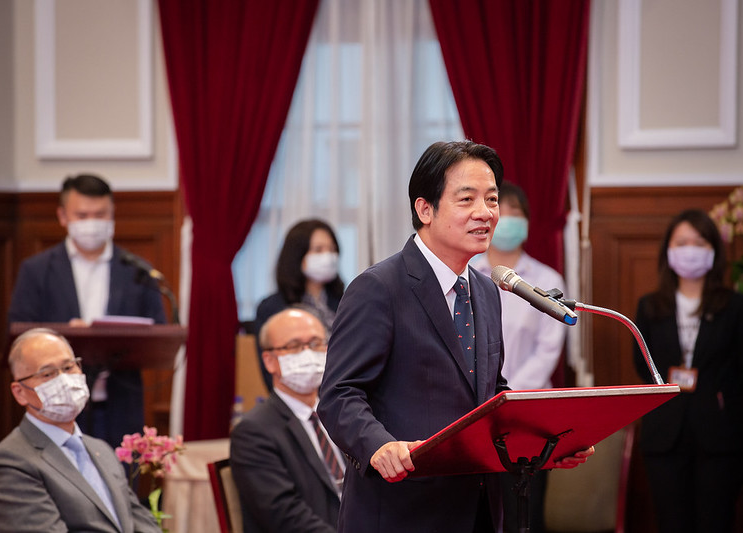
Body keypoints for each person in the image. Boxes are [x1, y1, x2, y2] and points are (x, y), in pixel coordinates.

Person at [317, 140, 592, 533]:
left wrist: (545, 446)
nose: (486, 213)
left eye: (492, 199)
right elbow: (339, 393)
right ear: (425, 209)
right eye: (467, 199)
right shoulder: (379, 288)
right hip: (402, 510)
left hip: (478, 509)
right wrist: (377, 445)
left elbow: (491, 394)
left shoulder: (487, 290)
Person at [7, 173, 167, 449]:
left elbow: (159, 334)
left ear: (112, 215)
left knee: (120, 475)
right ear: (63, 216)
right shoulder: (36, 271)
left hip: (121, 405)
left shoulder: (138, 271)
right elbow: (18, 336)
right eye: (82, 215)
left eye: (100, 214)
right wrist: (66, 337)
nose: (91, 223)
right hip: (54, 406)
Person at [633, 208, 743, 533]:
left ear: (714, 250)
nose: (690, 250)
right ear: (668, 250)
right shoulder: (650, 306)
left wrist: (716, 395)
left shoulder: (735, 306)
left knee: (716, 521)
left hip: (720, 434)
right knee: (671, 523)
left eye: (699, 242)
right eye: (682, 242)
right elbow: (642, 365)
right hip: (664, 433)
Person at [0, 328, 160, 533]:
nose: (64, 380)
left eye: (68, 367)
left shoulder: (100, 449)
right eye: (47, 374)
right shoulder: (10, 462)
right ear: (20, 392)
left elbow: (138, 519)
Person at [471, 181, 567, 533]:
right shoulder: (468, 274)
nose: (508, 220)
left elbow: (548, 350)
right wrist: (488, 399)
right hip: (477, 411)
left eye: (517, 213)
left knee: (524, 512)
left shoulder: (547, 279)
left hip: (530, 412)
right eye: (502, 211)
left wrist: (508, 395)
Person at [231, 308, 342, 533]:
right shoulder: (254, 431)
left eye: (315, 343)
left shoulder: (340, 413)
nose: (308, 353)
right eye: (294, 346)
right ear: (269, 361)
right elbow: (284, 517)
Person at [254, 219, 345, 391]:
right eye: (318, 250)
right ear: (297, 256)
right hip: (296, 396)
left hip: (342, 394)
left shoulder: (345, 301)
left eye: (332, 249)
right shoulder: (272, 307)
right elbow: (270, 371)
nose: (328, 256)